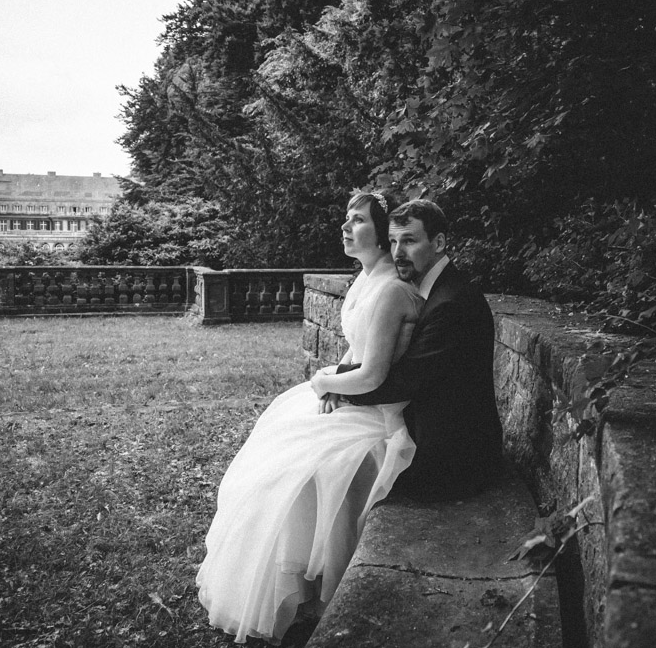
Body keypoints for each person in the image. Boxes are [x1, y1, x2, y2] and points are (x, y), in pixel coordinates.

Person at [195, 191, 422, 644]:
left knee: (306, 465)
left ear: (381, 236)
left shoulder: (392, 290)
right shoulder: (364, 279)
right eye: (346, 218)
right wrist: (332, 381)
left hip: (379, 416)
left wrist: (326, 385)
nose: (345, 227)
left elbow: (375, 374)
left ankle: (311, 590)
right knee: (274, 452)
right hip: (355, 400)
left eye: (357, 220)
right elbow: (356, 355)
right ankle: (294, 584)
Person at [336, 199, 503, 500]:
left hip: (452, 459)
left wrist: (335, 383)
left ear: (438, 242)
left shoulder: (452, 303)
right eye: (393, 241)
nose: (398, 252)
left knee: (330, 468)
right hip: (427, 433)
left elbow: (404, 381)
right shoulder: (430, 290)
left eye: (409, 241)